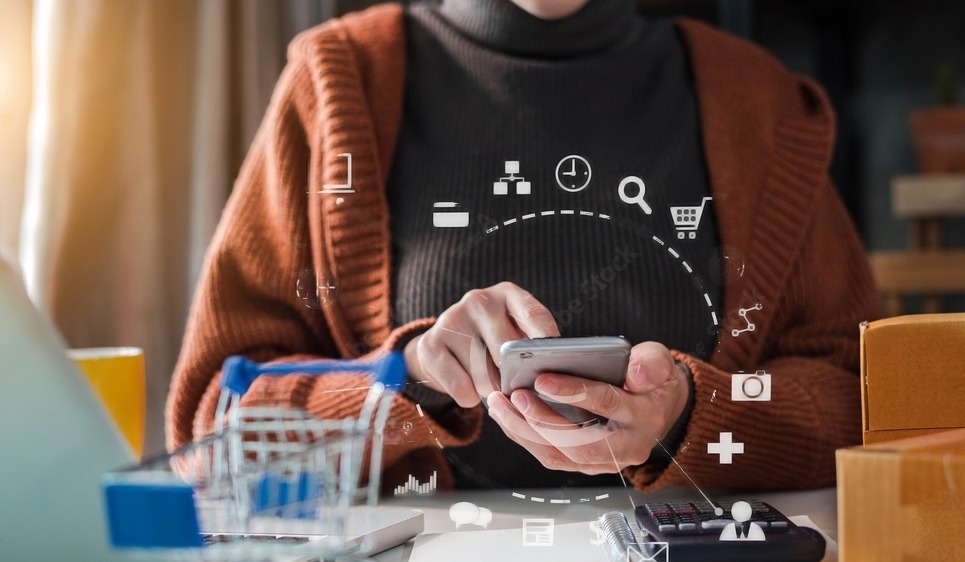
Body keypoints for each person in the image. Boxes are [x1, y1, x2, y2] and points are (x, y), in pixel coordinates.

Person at [166, 0, 880, 496]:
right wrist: (405, 380)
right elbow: (210, 428)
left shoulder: (754, 98)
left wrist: (694, 415)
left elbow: (867, 404)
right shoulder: (336, 82)